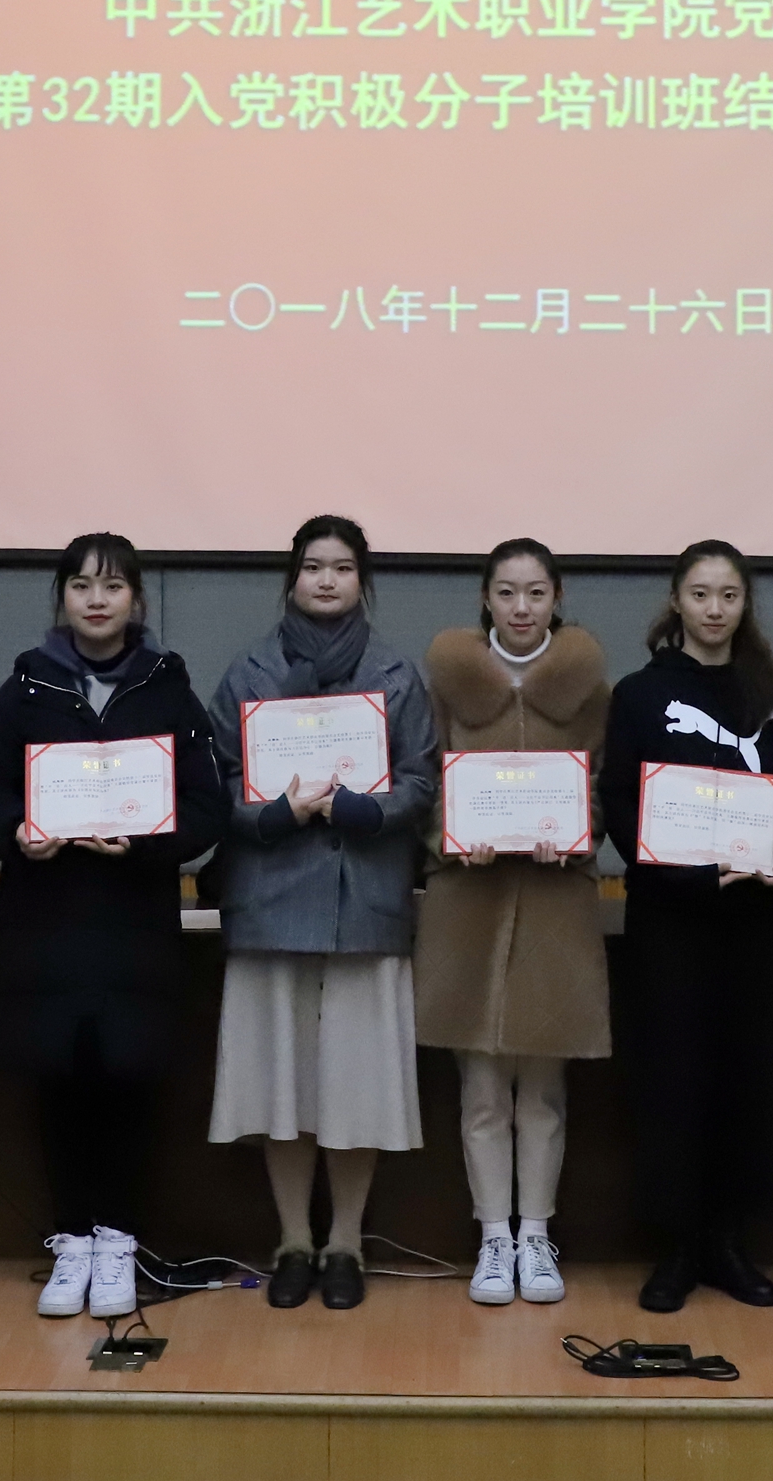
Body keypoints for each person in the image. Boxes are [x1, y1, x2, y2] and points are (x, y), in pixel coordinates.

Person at [0, 534, 227, 1322]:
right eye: (80, 585)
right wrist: (18, 831)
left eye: (111, 586)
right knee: (60, 1087)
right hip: (47, 928)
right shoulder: (27, 687)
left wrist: (145, 840)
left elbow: (205, 807)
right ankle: (72, 1240)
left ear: (136, 598)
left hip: (134, 928)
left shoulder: (167, 688)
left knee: (129, 1087)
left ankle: (118, 1241)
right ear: (62, 598)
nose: (96, 599)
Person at [205, 514, 441, 1312]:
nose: (328, 579)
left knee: (356, 1082)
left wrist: (365, 808)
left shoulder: (397, 672)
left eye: (342, 567)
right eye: (313, 566)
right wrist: (276, 811)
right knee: (283, 1081)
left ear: (362, 580)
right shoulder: (248, 671)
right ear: (293, 577)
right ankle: (291, 1240)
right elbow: (216, 780)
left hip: (363, 898)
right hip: (270, 896)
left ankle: (345, 1240)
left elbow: (422, 777)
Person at [596, 539, 773, 1314]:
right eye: (702, 593)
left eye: (729, 595)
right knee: (671, 1080)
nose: (715, 608)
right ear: (677, 601)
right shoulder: (640, 694)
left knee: (743, 1080)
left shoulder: (772, 695)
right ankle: (675, 1246)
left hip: (750, 922)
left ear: (745, 605)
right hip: (669, 921)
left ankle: (728, 1242)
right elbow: (620, 801)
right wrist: (682, 872)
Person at [415, 537, 612, 1308]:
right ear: (485, 599)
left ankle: (537, 1232)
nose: (521, 607)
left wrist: (575, 834)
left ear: (557, 598)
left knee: (544, 1089)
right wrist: (453, 834)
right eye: (507, 592)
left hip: (556, 902)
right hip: (469, 901)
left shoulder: (590, 687)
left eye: (535, 592)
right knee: (482, 1089)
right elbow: (425, 777)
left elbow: (598, 787)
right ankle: (493, 1236)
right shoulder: (446, 683)